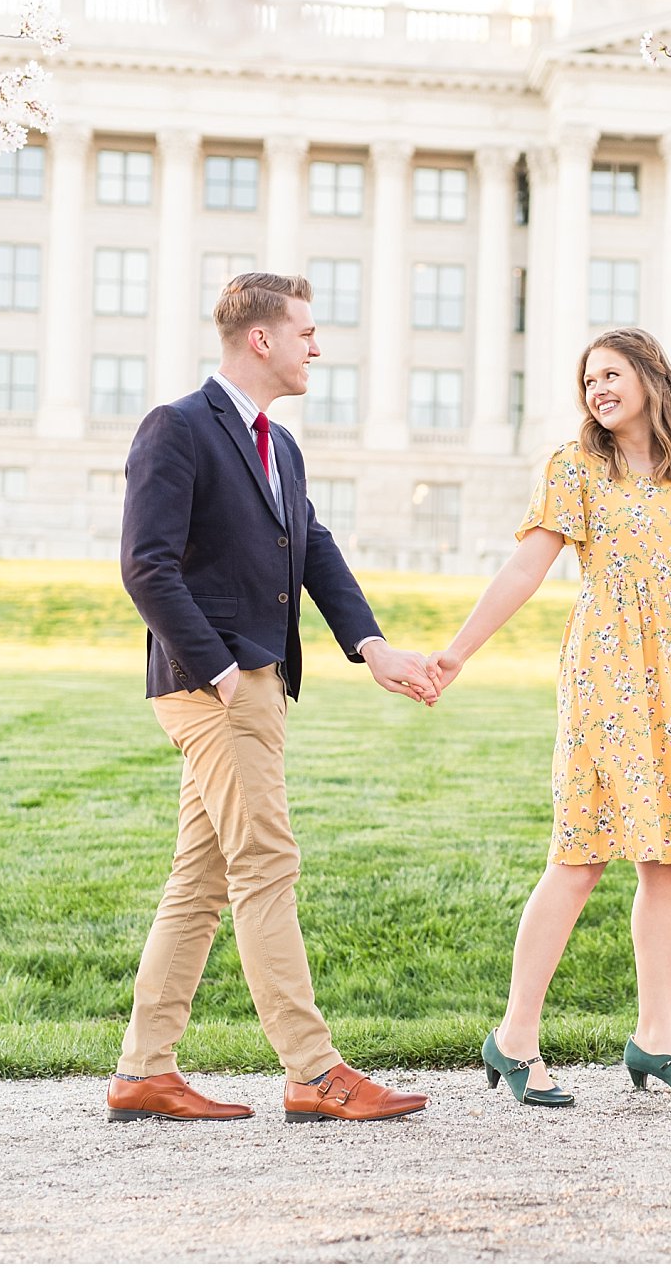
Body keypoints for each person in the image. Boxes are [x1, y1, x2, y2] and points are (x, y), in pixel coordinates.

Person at [108, 271, 436, 1124]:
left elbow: (313, 548)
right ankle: (314, 1072)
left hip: (252, 679)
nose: (315, 347)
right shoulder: (177, 427)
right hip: (216, 685)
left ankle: (145, 1069)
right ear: (262, 339)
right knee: (267, 863)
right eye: (306, 332)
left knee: (202, 878)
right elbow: (146, 563)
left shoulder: (278, 446)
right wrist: (218, 670)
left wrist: (372, 647)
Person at [430, 327, 671, 1107]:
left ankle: (656, 1041)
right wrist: (457, 653)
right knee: (582, 855)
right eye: (588, 380)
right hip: (607, 672)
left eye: (611, 374)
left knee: (668, 859)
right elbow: (525, 568)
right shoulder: (576, 468)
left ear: (649, 376)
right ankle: (513, 1039)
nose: (597, 389)